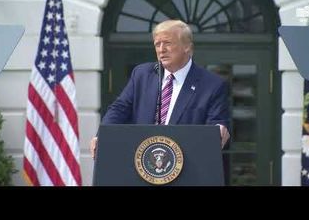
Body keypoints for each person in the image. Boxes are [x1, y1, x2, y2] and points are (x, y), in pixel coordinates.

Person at [90, 19, 230, 158]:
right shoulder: (142, 74)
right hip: (143, 163)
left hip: (187, 165)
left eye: (168, 43)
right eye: (157, 44)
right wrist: (102, 136)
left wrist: (218, 129)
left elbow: (217, 124)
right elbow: (119, 109)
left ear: (187, 46)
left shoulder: (212, 84)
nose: (161, 50)